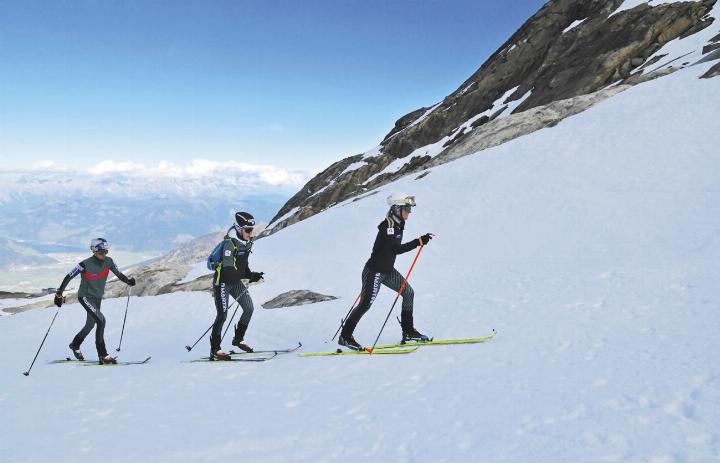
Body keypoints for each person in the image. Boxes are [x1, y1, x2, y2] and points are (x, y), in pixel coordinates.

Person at [339, 193, 434, 350]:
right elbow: (395, 249)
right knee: (365, 304)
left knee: (409, 293)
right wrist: (418, 242)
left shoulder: (397, 224)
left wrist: (418, 241)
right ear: (397, 209)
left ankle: (409, 332)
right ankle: (345, 337)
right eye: (407, 208)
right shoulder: (388, 226)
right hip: (374, 272)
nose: (409, 212)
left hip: (388, 271)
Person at [54, 238, 136, 364]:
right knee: (101, 320)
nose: (104, 254)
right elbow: (68, 277)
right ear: (94, 251)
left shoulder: (109, 262)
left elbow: (119, 274)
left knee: (90, 325)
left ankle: (75, 344)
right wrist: (59, 294)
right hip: (85, 296)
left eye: (106, 252)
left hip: (97, 298)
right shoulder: (84, 264)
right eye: (101, 252)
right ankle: (102, 355)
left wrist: (128, 281)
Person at [210, 211, 265, 360]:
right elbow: (228, 270)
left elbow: (243, 265)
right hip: (222, 282)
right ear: (239, 229)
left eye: (251, 230)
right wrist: (246, 278)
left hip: (235, 282)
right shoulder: (230, 244)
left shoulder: (246, 243)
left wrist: (251, 275)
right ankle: (215, 348)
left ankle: (238, 339)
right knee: (222, 315)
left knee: (249, 308)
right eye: (248, 230)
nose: (250, 233)